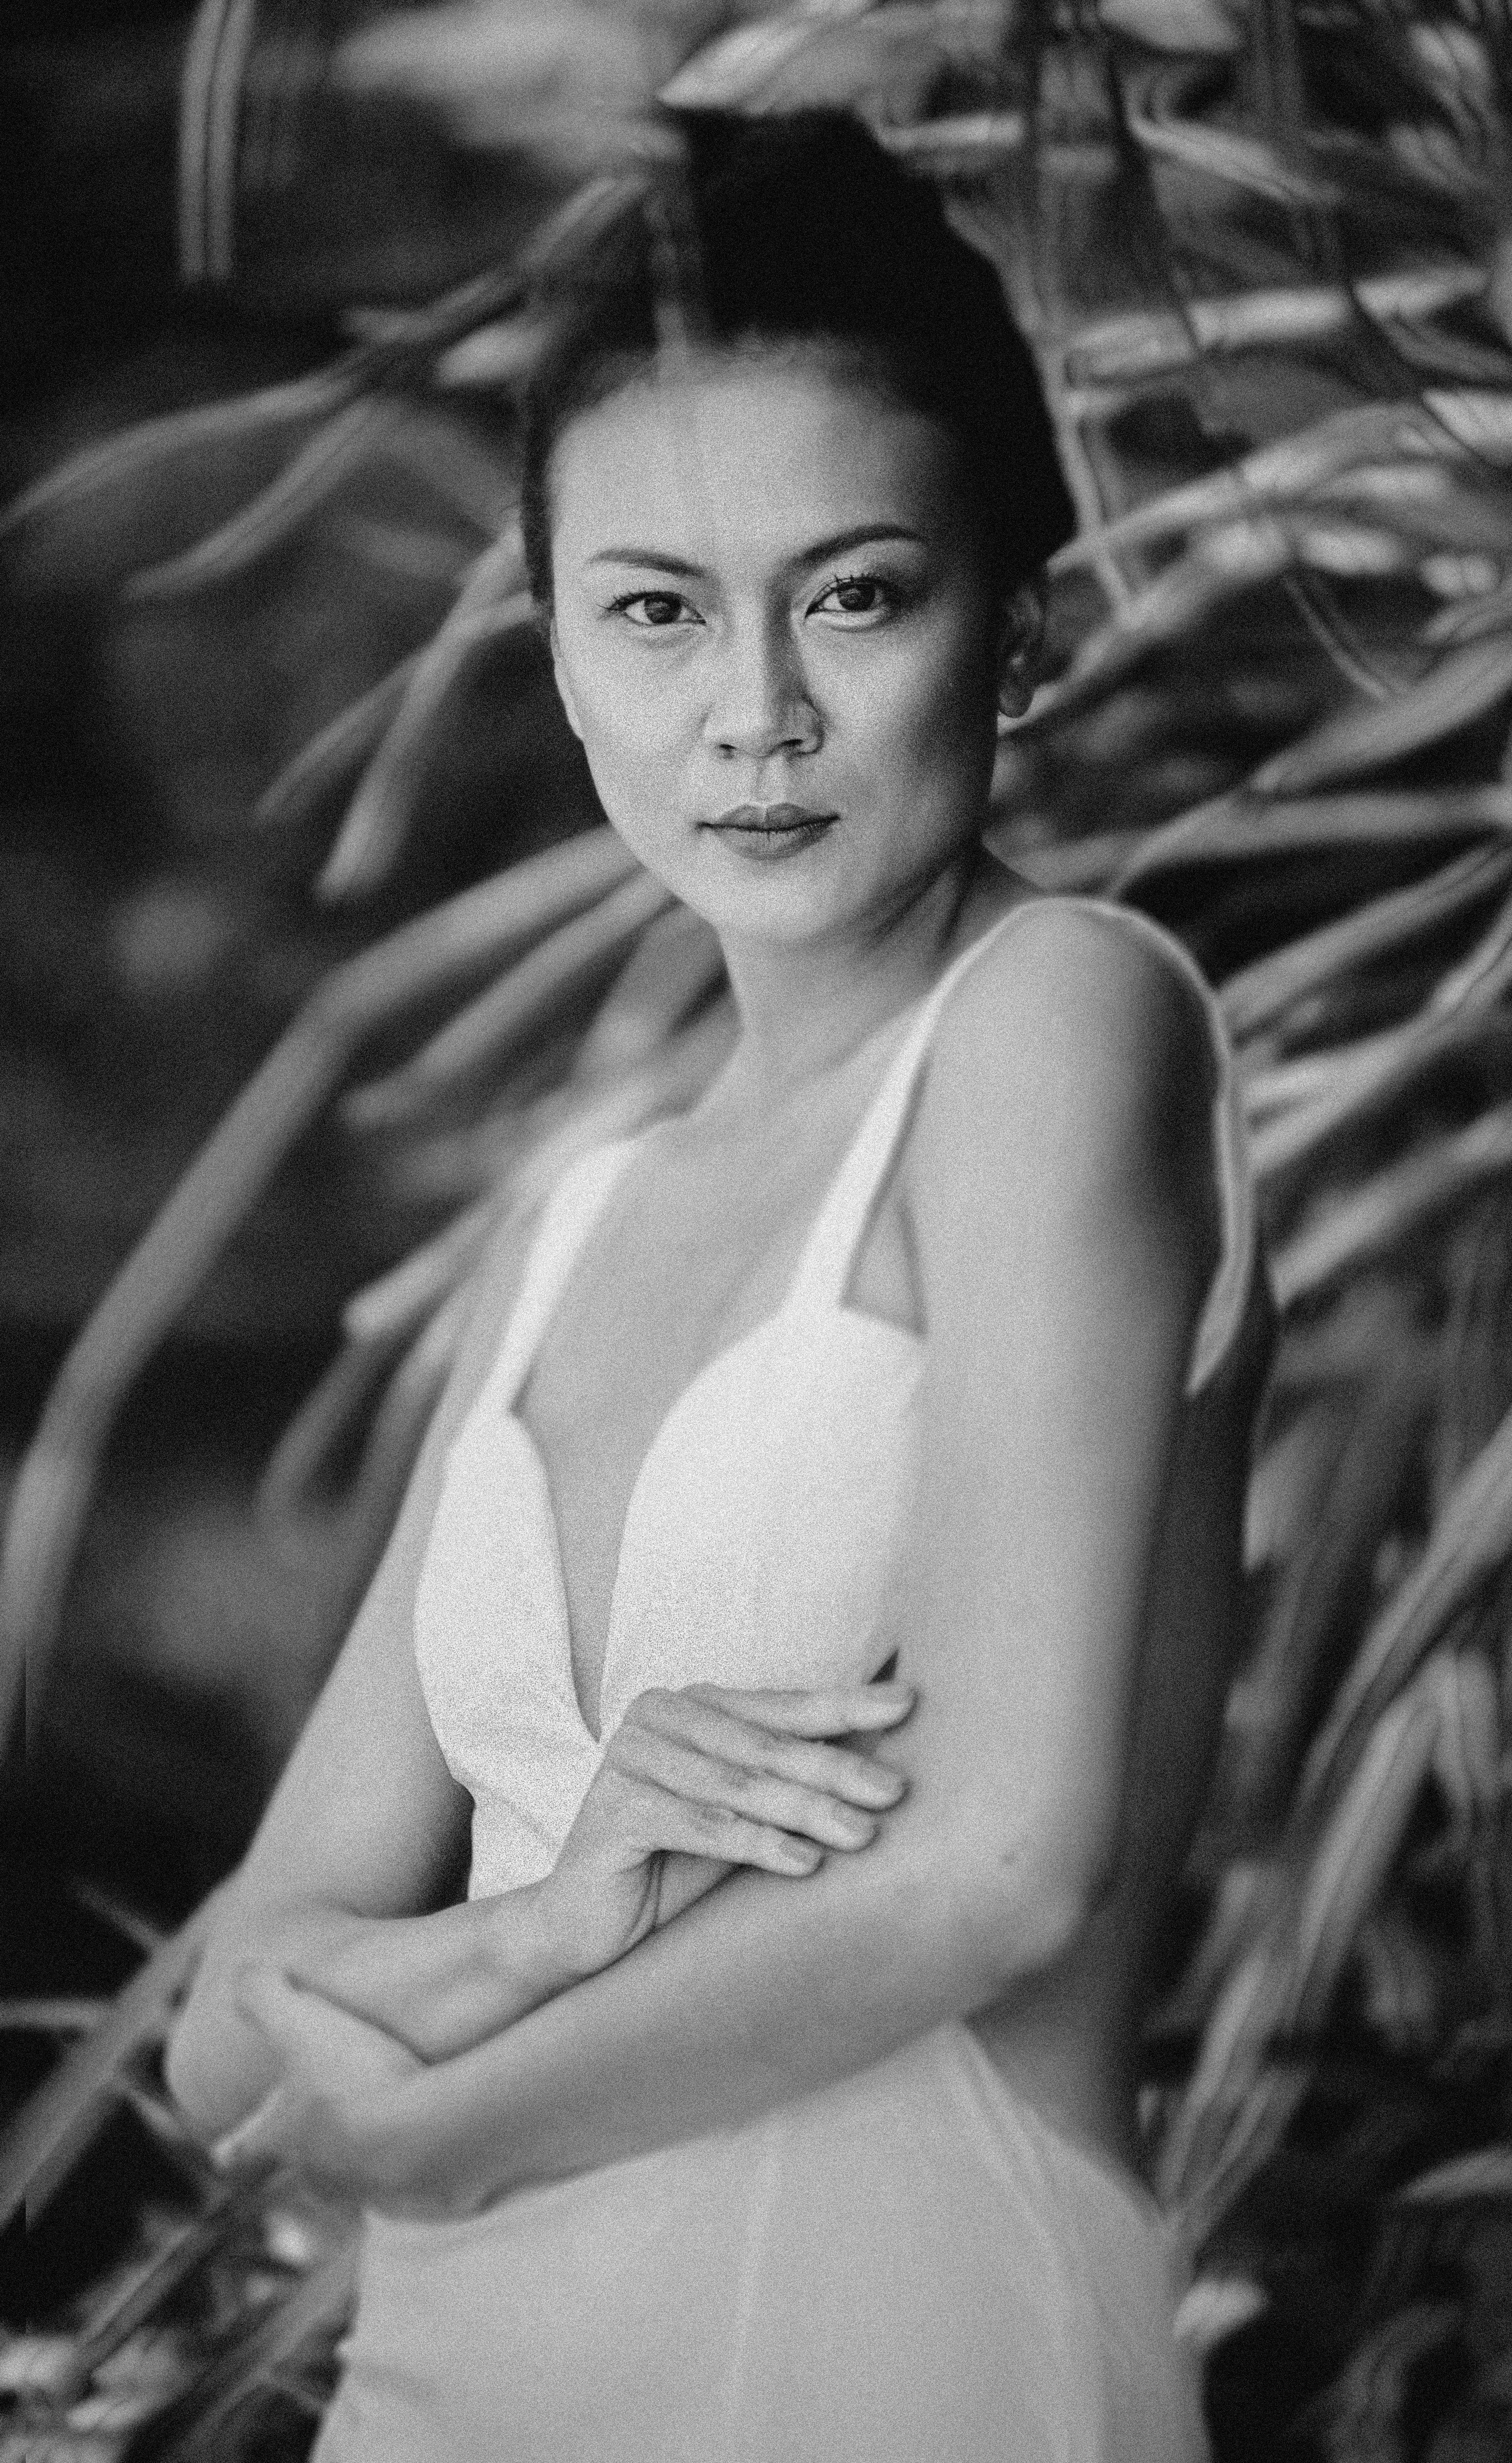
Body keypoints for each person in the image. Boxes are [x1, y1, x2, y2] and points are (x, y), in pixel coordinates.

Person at [164, 107, 1273, 2463]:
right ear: (557, 651)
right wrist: (548, 1923)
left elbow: (999, 1869)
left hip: (886, 2345)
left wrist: (444, 2122)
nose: (751, 710)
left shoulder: (1061, 1019)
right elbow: (226, 2006)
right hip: (463, 2395)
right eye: (655, 607)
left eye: (856, 594)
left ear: (1021, 627)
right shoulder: (582, 1212)